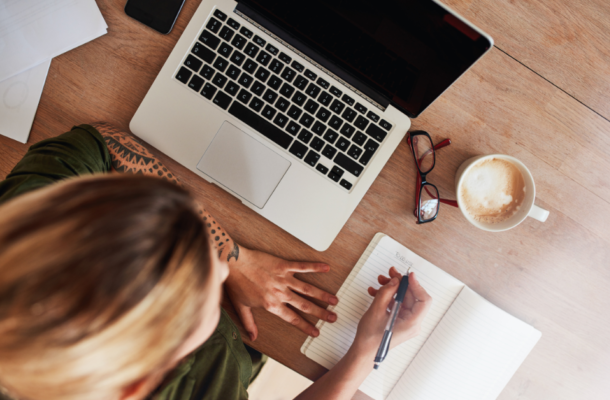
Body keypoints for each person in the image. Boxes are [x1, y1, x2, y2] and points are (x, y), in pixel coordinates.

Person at [0, 124, 432, 400]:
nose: (224, 268)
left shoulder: (23, 229)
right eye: (208, 289)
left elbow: (100, 142)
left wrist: (236, 256)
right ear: (142, 384)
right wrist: (365, 353)